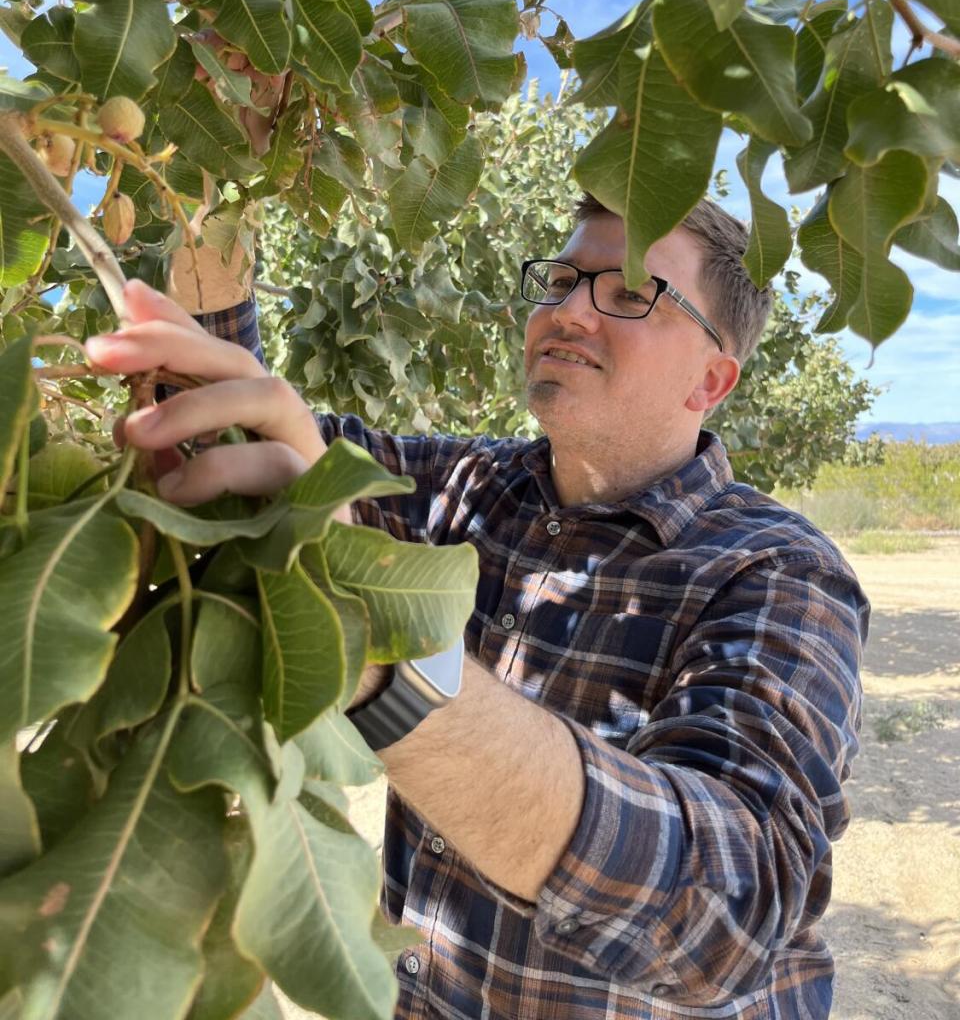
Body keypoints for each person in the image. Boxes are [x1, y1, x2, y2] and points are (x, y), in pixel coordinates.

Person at [86, 194, 868, 1020]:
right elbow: (255, 452)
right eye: (560, 279)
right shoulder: (468, 489)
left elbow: (726, 913)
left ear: (711, 379)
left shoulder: (781, 574)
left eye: (631, 291)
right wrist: (217, 201)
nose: (568, 310)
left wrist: (382, 655)